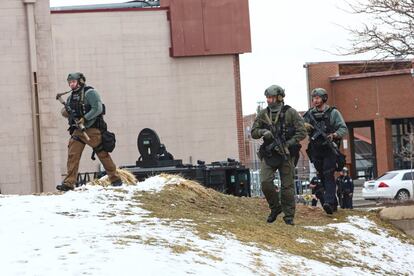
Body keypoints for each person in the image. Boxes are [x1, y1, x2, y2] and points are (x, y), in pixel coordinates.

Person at [56, 72, 122, 191]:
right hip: (77, 131)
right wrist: (67, 111)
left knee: (102, 153)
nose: (71, 84)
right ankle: (69, 183)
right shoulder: (71, 96)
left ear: (80, 81)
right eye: (69, 82)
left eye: (73, 82)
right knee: (72, 156)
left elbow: (98, 108)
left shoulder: (90, 93)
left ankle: (115, 179)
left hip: (92, 129)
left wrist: (85, 118)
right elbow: (64, 113)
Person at [251, 85, 306, 225]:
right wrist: (263, 132)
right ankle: (275, 207)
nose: (269, 100)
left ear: (280, 97)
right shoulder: (263, 114)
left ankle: (289, 216)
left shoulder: (291, 113)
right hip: (269, 153)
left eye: (271, 97)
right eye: (267, 98)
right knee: (265, 182)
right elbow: (253, 132)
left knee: (287, 187)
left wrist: (288, 143)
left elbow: (302, 132)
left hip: (287, 153)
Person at [303, 88, 348, 214]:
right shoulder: (308, 115)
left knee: (328, 174)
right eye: (314, 98)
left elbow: (343, 128)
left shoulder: (333, 113)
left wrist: (334, 135)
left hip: (329, 149)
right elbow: (300, 129)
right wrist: (306, 128)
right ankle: (332, 203)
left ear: (324, 98)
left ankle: (328, 202)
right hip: (316, 150)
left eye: (318, 98)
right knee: (322, 176)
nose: (315, 100)